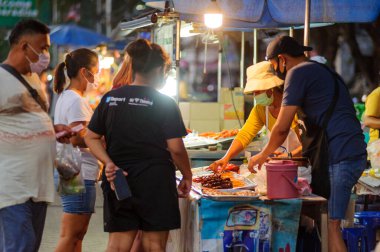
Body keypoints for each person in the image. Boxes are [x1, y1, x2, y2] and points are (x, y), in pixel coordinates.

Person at [249, 35, 367, 252]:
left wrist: (262, 155)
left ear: (282, 59)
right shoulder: (320, 70)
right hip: (349, 152)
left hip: (340, 156)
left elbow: (282, 127)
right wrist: (288, 156)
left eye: (274, 64)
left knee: (332, 225)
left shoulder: (297, 73)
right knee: (327, 223)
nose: (276, 70)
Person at [84, 39, 192, 252]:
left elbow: (90, 137)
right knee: (154, 245)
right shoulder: (164, 103)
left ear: (132, 65)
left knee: (117, 246)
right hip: (155, 182)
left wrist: (108, 163)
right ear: (161, 69)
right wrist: (187, 175)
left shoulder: (110, 98)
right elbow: (176, 148)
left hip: (119, 181)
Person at [0, 19, 72, 252]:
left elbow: (31, 120)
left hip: (39, 186)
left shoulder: (34, 80)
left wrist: (54, 132)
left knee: (28, 246)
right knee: (21, 245)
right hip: (12, 186)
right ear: (23, 46)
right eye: (42, 47)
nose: (46, 54)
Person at [210, 61, 301, 171]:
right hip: (279, 168)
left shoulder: (295, 107)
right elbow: (245, 134)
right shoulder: (261, 109)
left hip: (302, 167)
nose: (255, 96)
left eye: (257, 92)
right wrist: (226, 157)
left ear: (270, 88)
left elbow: (309, 145)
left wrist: (289, 156)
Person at [53, 48, 101, 252]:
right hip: (78, 172)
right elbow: (78, 139)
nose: (97, 77)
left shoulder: (67, 97)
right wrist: (101, 139)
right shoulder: (76, 100)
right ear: (84, 72)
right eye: (96, 71)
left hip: (71, 168)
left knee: (76, 237)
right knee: (71, 235)